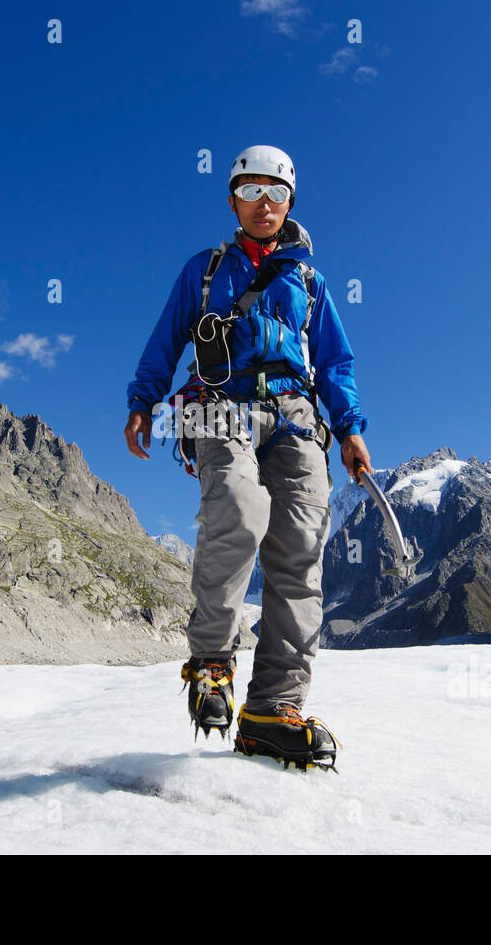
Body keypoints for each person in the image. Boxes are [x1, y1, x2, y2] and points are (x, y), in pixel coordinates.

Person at [123, 145, 371, 770]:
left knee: (301, 547)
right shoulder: (205, 271)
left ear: (290, 204)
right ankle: (211, 662)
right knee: (237, 507)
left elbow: (335, 361)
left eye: (278, 193)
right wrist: (143, 401)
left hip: (295, 415)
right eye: (253, 190)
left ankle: (271, 710)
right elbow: (166, 337)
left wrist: (349, 428)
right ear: (232, 199)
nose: (266, 203)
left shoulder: (309, 283)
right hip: (215, 403)